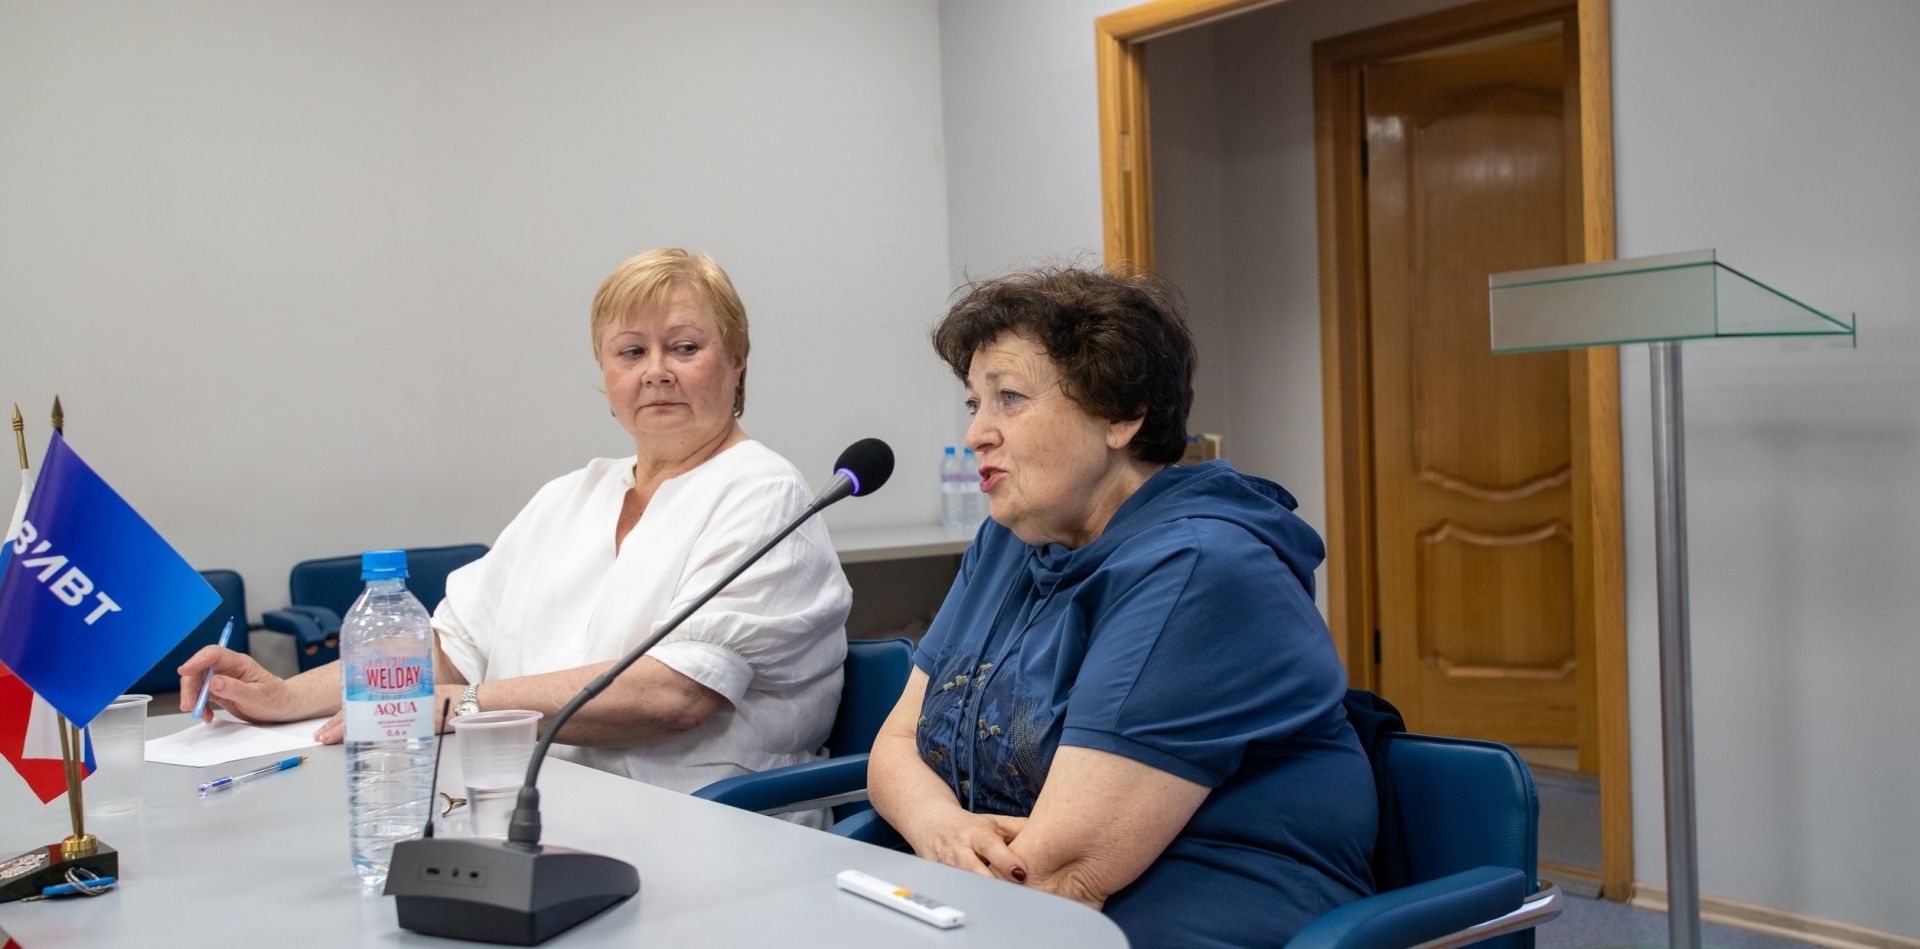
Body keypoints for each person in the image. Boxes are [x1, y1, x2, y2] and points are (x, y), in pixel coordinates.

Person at [180, 248, 851, 802]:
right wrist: (285, 694)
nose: (655, 373)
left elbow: (673, 695)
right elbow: (448, 650)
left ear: (737, 361)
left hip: (706, 825)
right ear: (605, 376)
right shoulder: (571, 496)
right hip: (541, 805)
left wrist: (461, 707)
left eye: (684, 347)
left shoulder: (763, 492)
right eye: (630, 352)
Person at [865, 267, 1376, 946]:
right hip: (1009, 903)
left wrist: (953, 850)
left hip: (1199, 911)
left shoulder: (1201, 567)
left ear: (1122, 415)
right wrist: (944, 828)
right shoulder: (1007, 541)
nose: (978, 432)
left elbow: (1052, 875)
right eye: (974, 403)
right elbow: (895, 745)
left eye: (1009, 398)